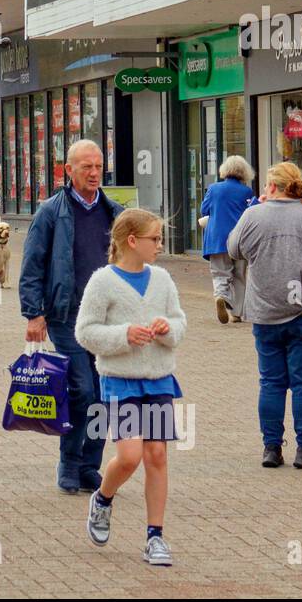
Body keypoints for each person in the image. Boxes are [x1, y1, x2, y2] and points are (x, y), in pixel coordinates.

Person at [76, 209, 185, 568]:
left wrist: (169, 329)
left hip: (159, 378)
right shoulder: (102, 281)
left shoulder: (164, 279)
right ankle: (103, 499)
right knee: (129, 456)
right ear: (132, 241)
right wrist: (123, 335)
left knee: (157, 455)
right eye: (155, 239)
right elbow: (86, 332)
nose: (160, 245)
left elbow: (180, 322)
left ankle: (156, 536)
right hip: (120, 380)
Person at [19, 138, 125, 494]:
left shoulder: (114, 212)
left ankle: (89, 466)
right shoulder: (51, 211)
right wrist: (34, 314)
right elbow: (32, 265)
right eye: (86, 167)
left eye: (98, 166)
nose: (94, 173)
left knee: (106, 395)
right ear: (69, 170)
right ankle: (69, 462)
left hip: (108, 321)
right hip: (67, 317)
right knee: (82, 391)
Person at [228, 162, 302, 470]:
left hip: (264, 312)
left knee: (271, 382)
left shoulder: (253, 215)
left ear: (270, 187)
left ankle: (271, 448)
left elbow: (232, 249)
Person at [199, 155, 255, 324]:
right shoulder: (247, 191)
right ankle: (237, 313)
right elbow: (252, 214)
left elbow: (204, 210)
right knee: (239, 274)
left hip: (217, 238)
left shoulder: (214, 189)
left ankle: (221, 296)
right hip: (239, 239)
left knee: (220, 272)